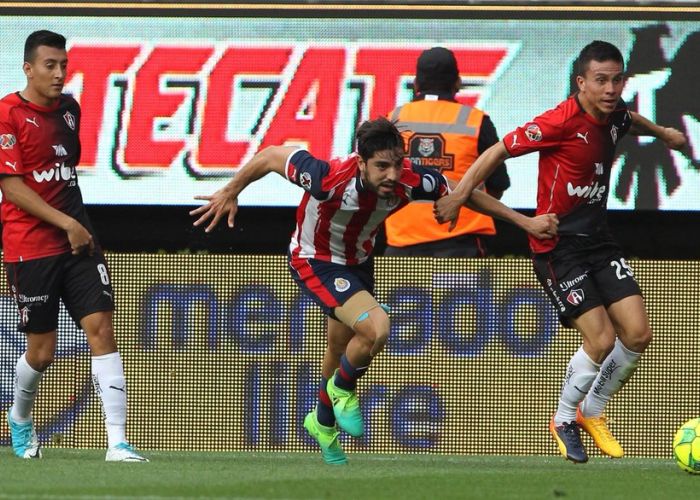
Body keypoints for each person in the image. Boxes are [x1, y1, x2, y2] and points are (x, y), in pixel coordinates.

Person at [190, 117, 558, 465]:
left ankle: (322, 423)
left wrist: (521, 220)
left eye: (397, 164)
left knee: (339, 347)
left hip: (359, 264)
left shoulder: (409, 181)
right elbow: (271, 155)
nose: (392, 175)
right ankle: (343, 391)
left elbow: (463, 191)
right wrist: (230, 189)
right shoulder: (328, 178)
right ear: (361, 162)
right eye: (382, 166)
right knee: (377, 327)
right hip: (315, 259)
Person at [435, 41, 688, 463]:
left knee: (638, 333)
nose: (611, 89)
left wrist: (664, 134)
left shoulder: (614, 114)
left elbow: (630, 119)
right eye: (601, 81)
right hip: (557, 246)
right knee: (602, 338)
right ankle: (564, 417)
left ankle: (593, 409)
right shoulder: (557, 122)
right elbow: (498, 150)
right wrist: (461, 195)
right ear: (581, 83)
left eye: (617, 79)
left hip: (599, 241)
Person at [0, 30, 147, 462]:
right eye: (50, 65)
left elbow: (63, 173)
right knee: (41, 352)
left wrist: (75, 226)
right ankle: (20, 417)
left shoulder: (69, 109)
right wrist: (66, 223)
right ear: (28, 68)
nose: (60, 73)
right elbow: (11, 187)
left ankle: (117, 443)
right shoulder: (7, 114)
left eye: (64, 64)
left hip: (78, 243)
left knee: (101, 328)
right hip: (31, 247)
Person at [384, 46, 511, 257]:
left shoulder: (391, 119)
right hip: (461, 243)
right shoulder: (477, 121)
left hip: (402, 245)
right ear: (458, 83)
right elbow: (497, 186)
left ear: (416, 83)